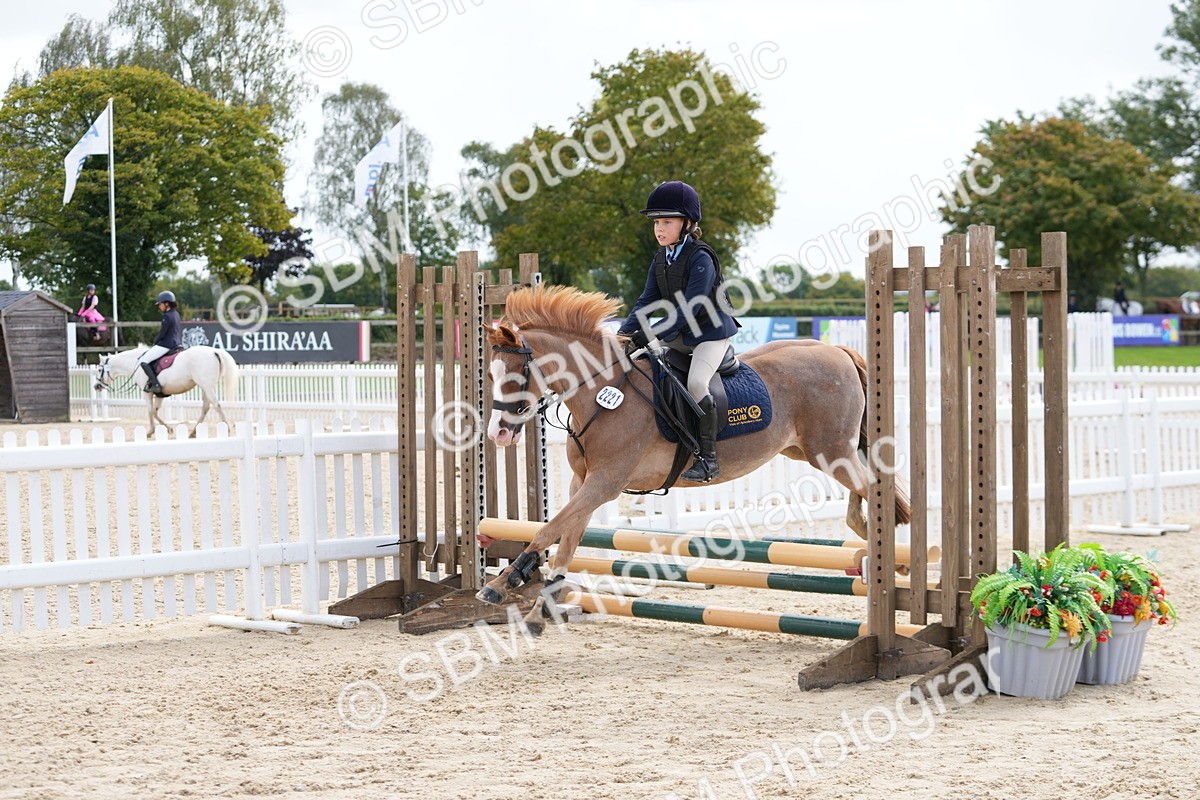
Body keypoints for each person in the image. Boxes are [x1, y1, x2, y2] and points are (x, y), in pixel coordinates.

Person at [617, 181, 739, 482]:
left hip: (710, 333)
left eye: (667, 221)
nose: (659, 228)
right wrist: (623, 336)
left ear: (687, 223)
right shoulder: (661, 258)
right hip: (683, 336)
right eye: (657, 222)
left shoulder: (701, 257)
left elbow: (692, 308)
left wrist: (653, 332)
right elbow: (646, 301)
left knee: (697, 382)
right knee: (643, 364)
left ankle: (709, 459)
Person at [138, 291, 182, 394]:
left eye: (160, 304)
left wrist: (155, 341)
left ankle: (156, 385)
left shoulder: (167, 316)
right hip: (177, 343)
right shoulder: (176, 314)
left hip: (167, 344)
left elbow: (162, 333)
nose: (159, 307)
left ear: (166, 304)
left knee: (143, 361)